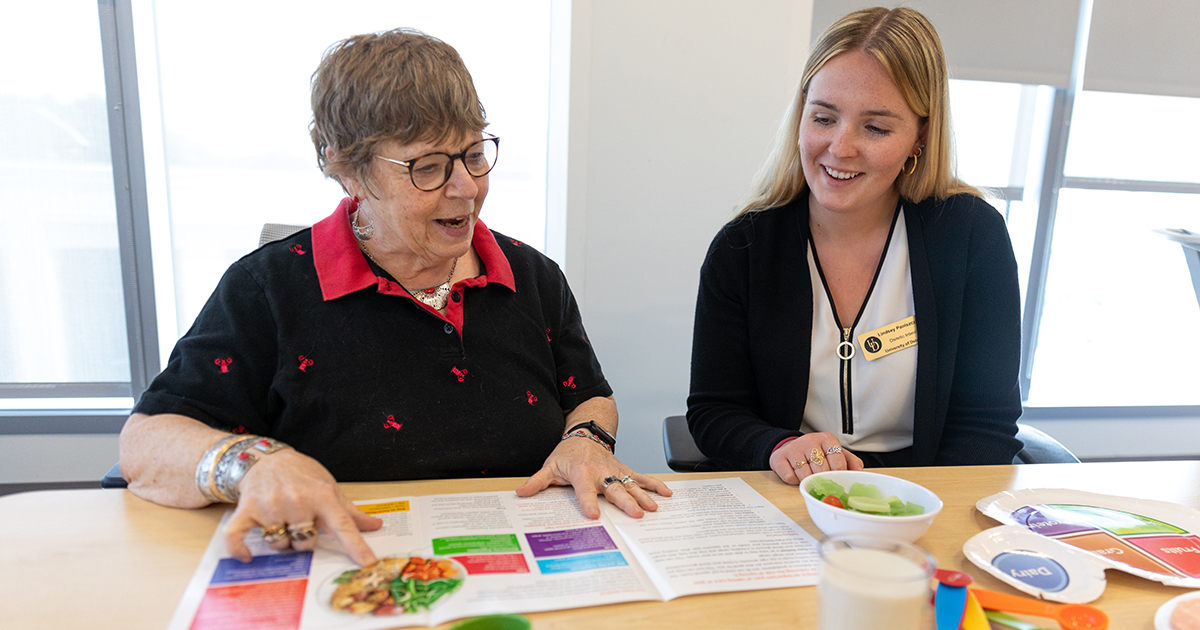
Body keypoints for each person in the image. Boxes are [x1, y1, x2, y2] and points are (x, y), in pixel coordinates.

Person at [119, 28, 669, 566]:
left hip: (522, 565)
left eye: (475, 154)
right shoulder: (267, 288)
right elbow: (146, 442)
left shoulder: (532, 275)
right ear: (348, 170)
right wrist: (252, 464)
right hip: (350, 569)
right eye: (427, 167)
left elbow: (589, 395)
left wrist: (587, 439)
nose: (467, 187)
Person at [687, 7, 1022, 484]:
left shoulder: (971, 236)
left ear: (919, 137)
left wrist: (912, 513)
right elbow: (715, 411)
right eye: (824, 118)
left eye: (876, 128)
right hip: (792, 494)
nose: (840, 148)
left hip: (926, 498)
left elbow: (985, 426)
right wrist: (779, 447)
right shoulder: (743, 249)